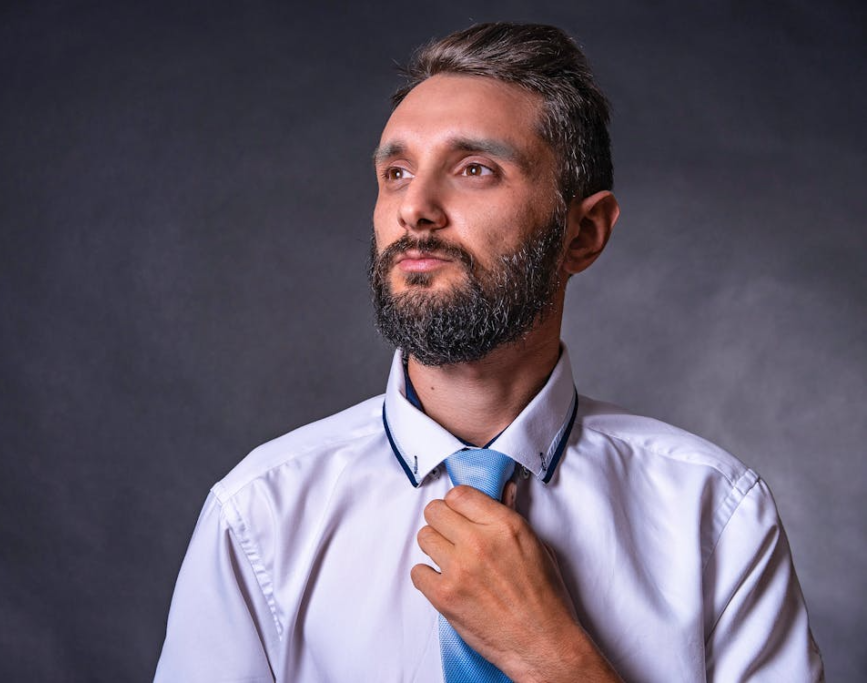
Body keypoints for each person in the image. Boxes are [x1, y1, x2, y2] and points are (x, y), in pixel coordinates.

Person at [154, 23, 824, 682]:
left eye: (474, 169)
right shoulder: (259, 513)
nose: (415, 207)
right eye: (396, 171)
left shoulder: (716, 511)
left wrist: (555, 660)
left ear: (583, 234)